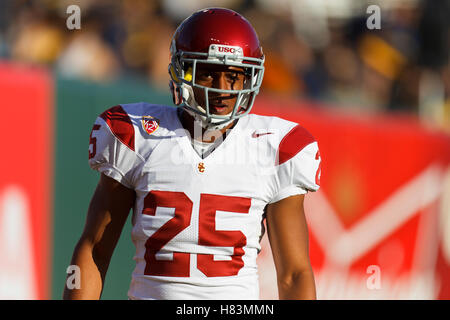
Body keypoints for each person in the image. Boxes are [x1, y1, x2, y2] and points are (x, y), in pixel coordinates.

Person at [63, 7, 321, 300]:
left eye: (234, 76)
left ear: (251, 78)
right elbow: (95, 249)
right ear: (181, 71)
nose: (223, 89)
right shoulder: (138, 135)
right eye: (209, 74)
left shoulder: (274, 147)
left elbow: (293, 274)